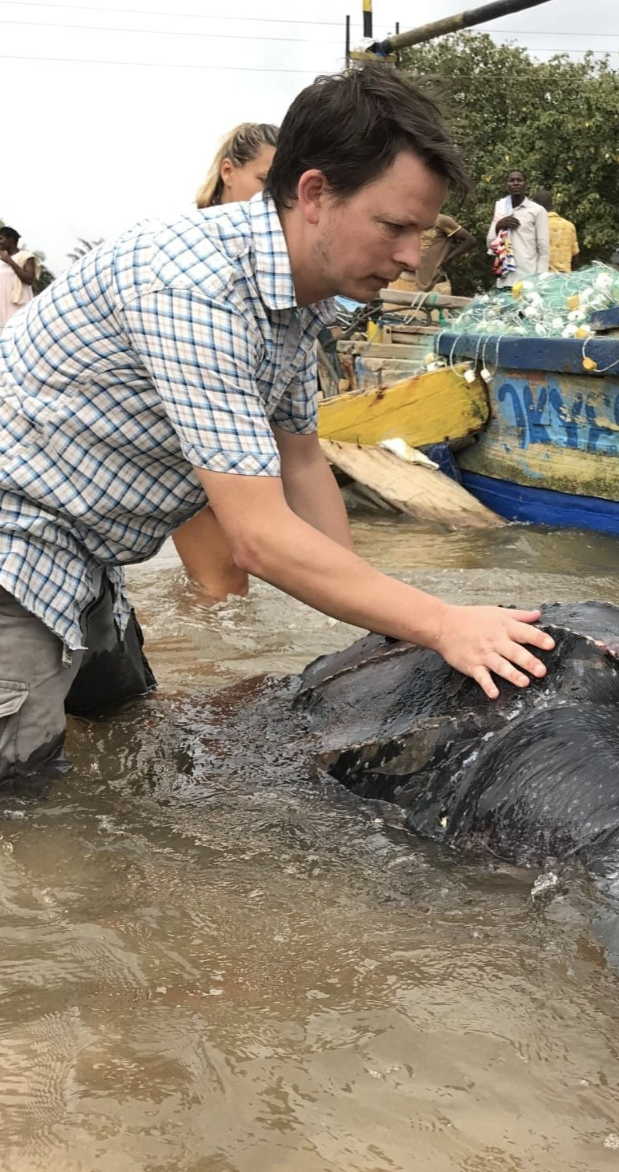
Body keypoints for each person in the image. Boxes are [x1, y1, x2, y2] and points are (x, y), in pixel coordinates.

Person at [0, 63, 555, 784]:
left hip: (87, 553)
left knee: (126, 717)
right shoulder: (191, 285)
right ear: (314, 193)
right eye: (393, 226)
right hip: (17, 541)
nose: (411, 257)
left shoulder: (301, 299)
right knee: (25, 809)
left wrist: (385, 625)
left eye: (420, 231)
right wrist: (442, 623)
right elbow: (257, 538)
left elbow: (301, 463)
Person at [175, 122, 280, 600]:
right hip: (184, 446)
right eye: (264, 182)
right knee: (224, 586)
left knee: (225, 585)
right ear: (228, 172)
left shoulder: (267, 270)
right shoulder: (193, 263)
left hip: (226, 443)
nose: (272, 201)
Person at [386, 213, 476, 296]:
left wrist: (448, 259)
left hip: (430, 283)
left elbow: (469, 240)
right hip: (401, 278)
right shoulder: (408, 221)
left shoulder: (441, 221)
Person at [195, 122, 279, 209]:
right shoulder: (193, 221)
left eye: (284, 188)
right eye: (264, 180)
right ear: (227, 171)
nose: (276, 195)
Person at [486, 170, 549, 288]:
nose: (515, 183)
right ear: (507, 185)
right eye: (512, 180)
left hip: (528, 278)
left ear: (526, 184)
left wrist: (540, 279)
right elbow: (490, 244)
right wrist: (499, 225)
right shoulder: (501, 209)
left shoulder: (537, 211)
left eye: (519, 180)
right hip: (505, 279)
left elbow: (544, 249)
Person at [531, 189, 581, 274]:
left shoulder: (535, 227)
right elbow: (575, 260)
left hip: (543, 280)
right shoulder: (569, 226)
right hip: (565, 280)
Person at [0, 227, 38, 327]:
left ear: (11, 240)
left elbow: (29, 279)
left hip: (19, 306)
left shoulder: (26, 256)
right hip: (3, 306)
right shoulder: (1, 260)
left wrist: (10, 262)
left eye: (1, 239)